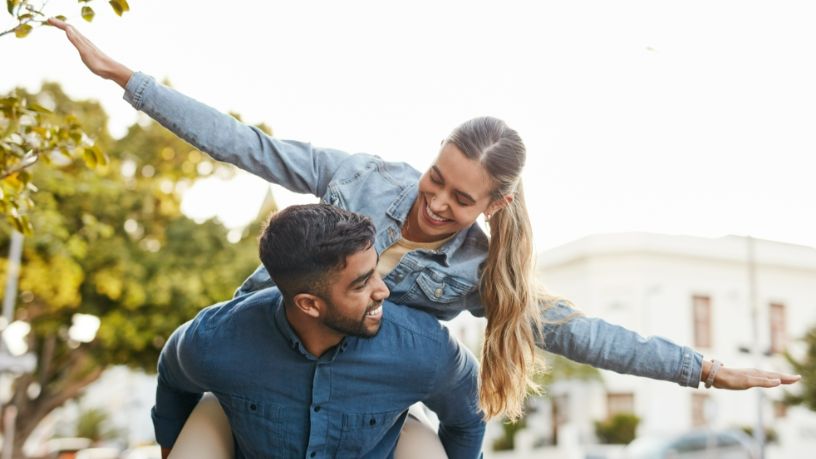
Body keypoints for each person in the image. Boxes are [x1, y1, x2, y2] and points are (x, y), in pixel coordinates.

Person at [50, 17, 800, 423]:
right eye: (436, 177)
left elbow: (583, 332)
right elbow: (250, 146)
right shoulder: (361, 176)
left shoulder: (477, 271)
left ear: (494, 206)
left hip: (355, 387)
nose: (435, 202)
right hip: (269, 335)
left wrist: (700, 367)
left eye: (461, 198)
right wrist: (129, 80)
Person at [154, 204, 485, 459]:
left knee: (417, 432)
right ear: (309, 304)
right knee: (209, 409)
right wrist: (169, 447)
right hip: (233, 434)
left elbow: (468, 418)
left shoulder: (422, 348)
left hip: (399, 437)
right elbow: (172, 376)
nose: (382, 291)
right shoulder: (217, 339)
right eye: (361, 283)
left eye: (374, 272)